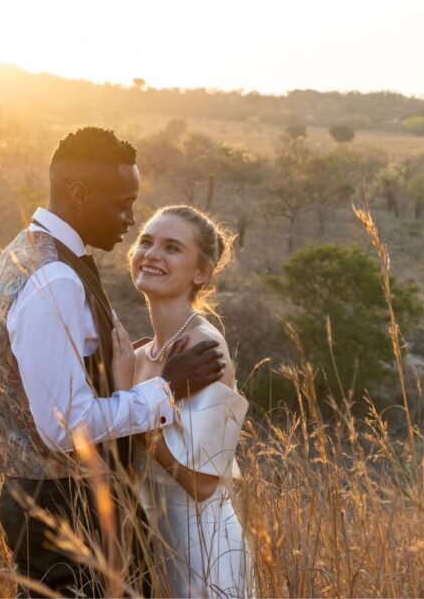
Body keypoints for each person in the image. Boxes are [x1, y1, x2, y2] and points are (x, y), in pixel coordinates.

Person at [0, 127, 226, 597]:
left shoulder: (31, 256)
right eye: (122, 203)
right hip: (67, 508)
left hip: (55, 503)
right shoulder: (54, 278)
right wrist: (167, 387)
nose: (130, 219)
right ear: (78, 193)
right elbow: (65, 426)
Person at [116, 204, 255, 598]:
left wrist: (138, 422)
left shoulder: (205, 347)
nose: (152, 254)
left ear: (202, 272)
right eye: (146, 241)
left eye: (172, 247)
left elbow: (205, 483)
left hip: (203, 553)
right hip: (152, 545)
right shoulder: (143, 354)